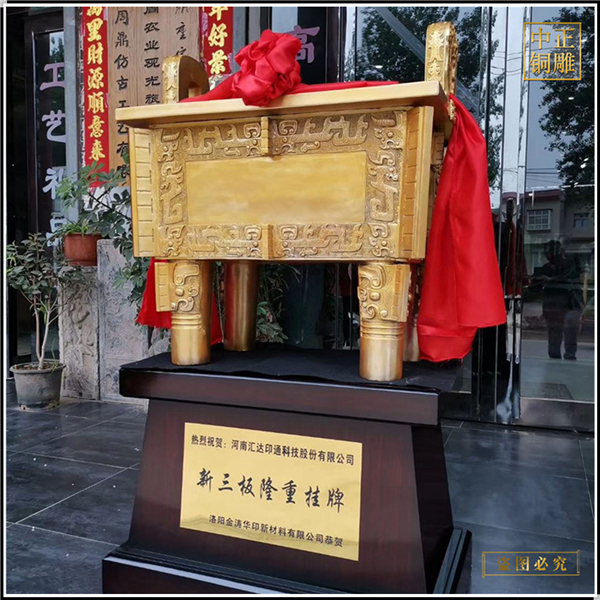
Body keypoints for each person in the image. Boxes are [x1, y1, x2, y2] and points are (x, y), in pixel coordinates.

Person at [536, 240, 584, 360]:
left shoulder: (570, 266)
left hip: (570, 303)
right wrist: (539, 280)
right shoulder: (546, 268)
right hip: (553, 304)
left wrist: (549, 280)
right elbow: (534, 287)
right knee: (554, 333)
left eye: (550, 253)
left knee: (570, 326)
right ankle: (555, 356)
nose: (548, 256)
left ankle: (570, 354)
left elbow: (570, 277)